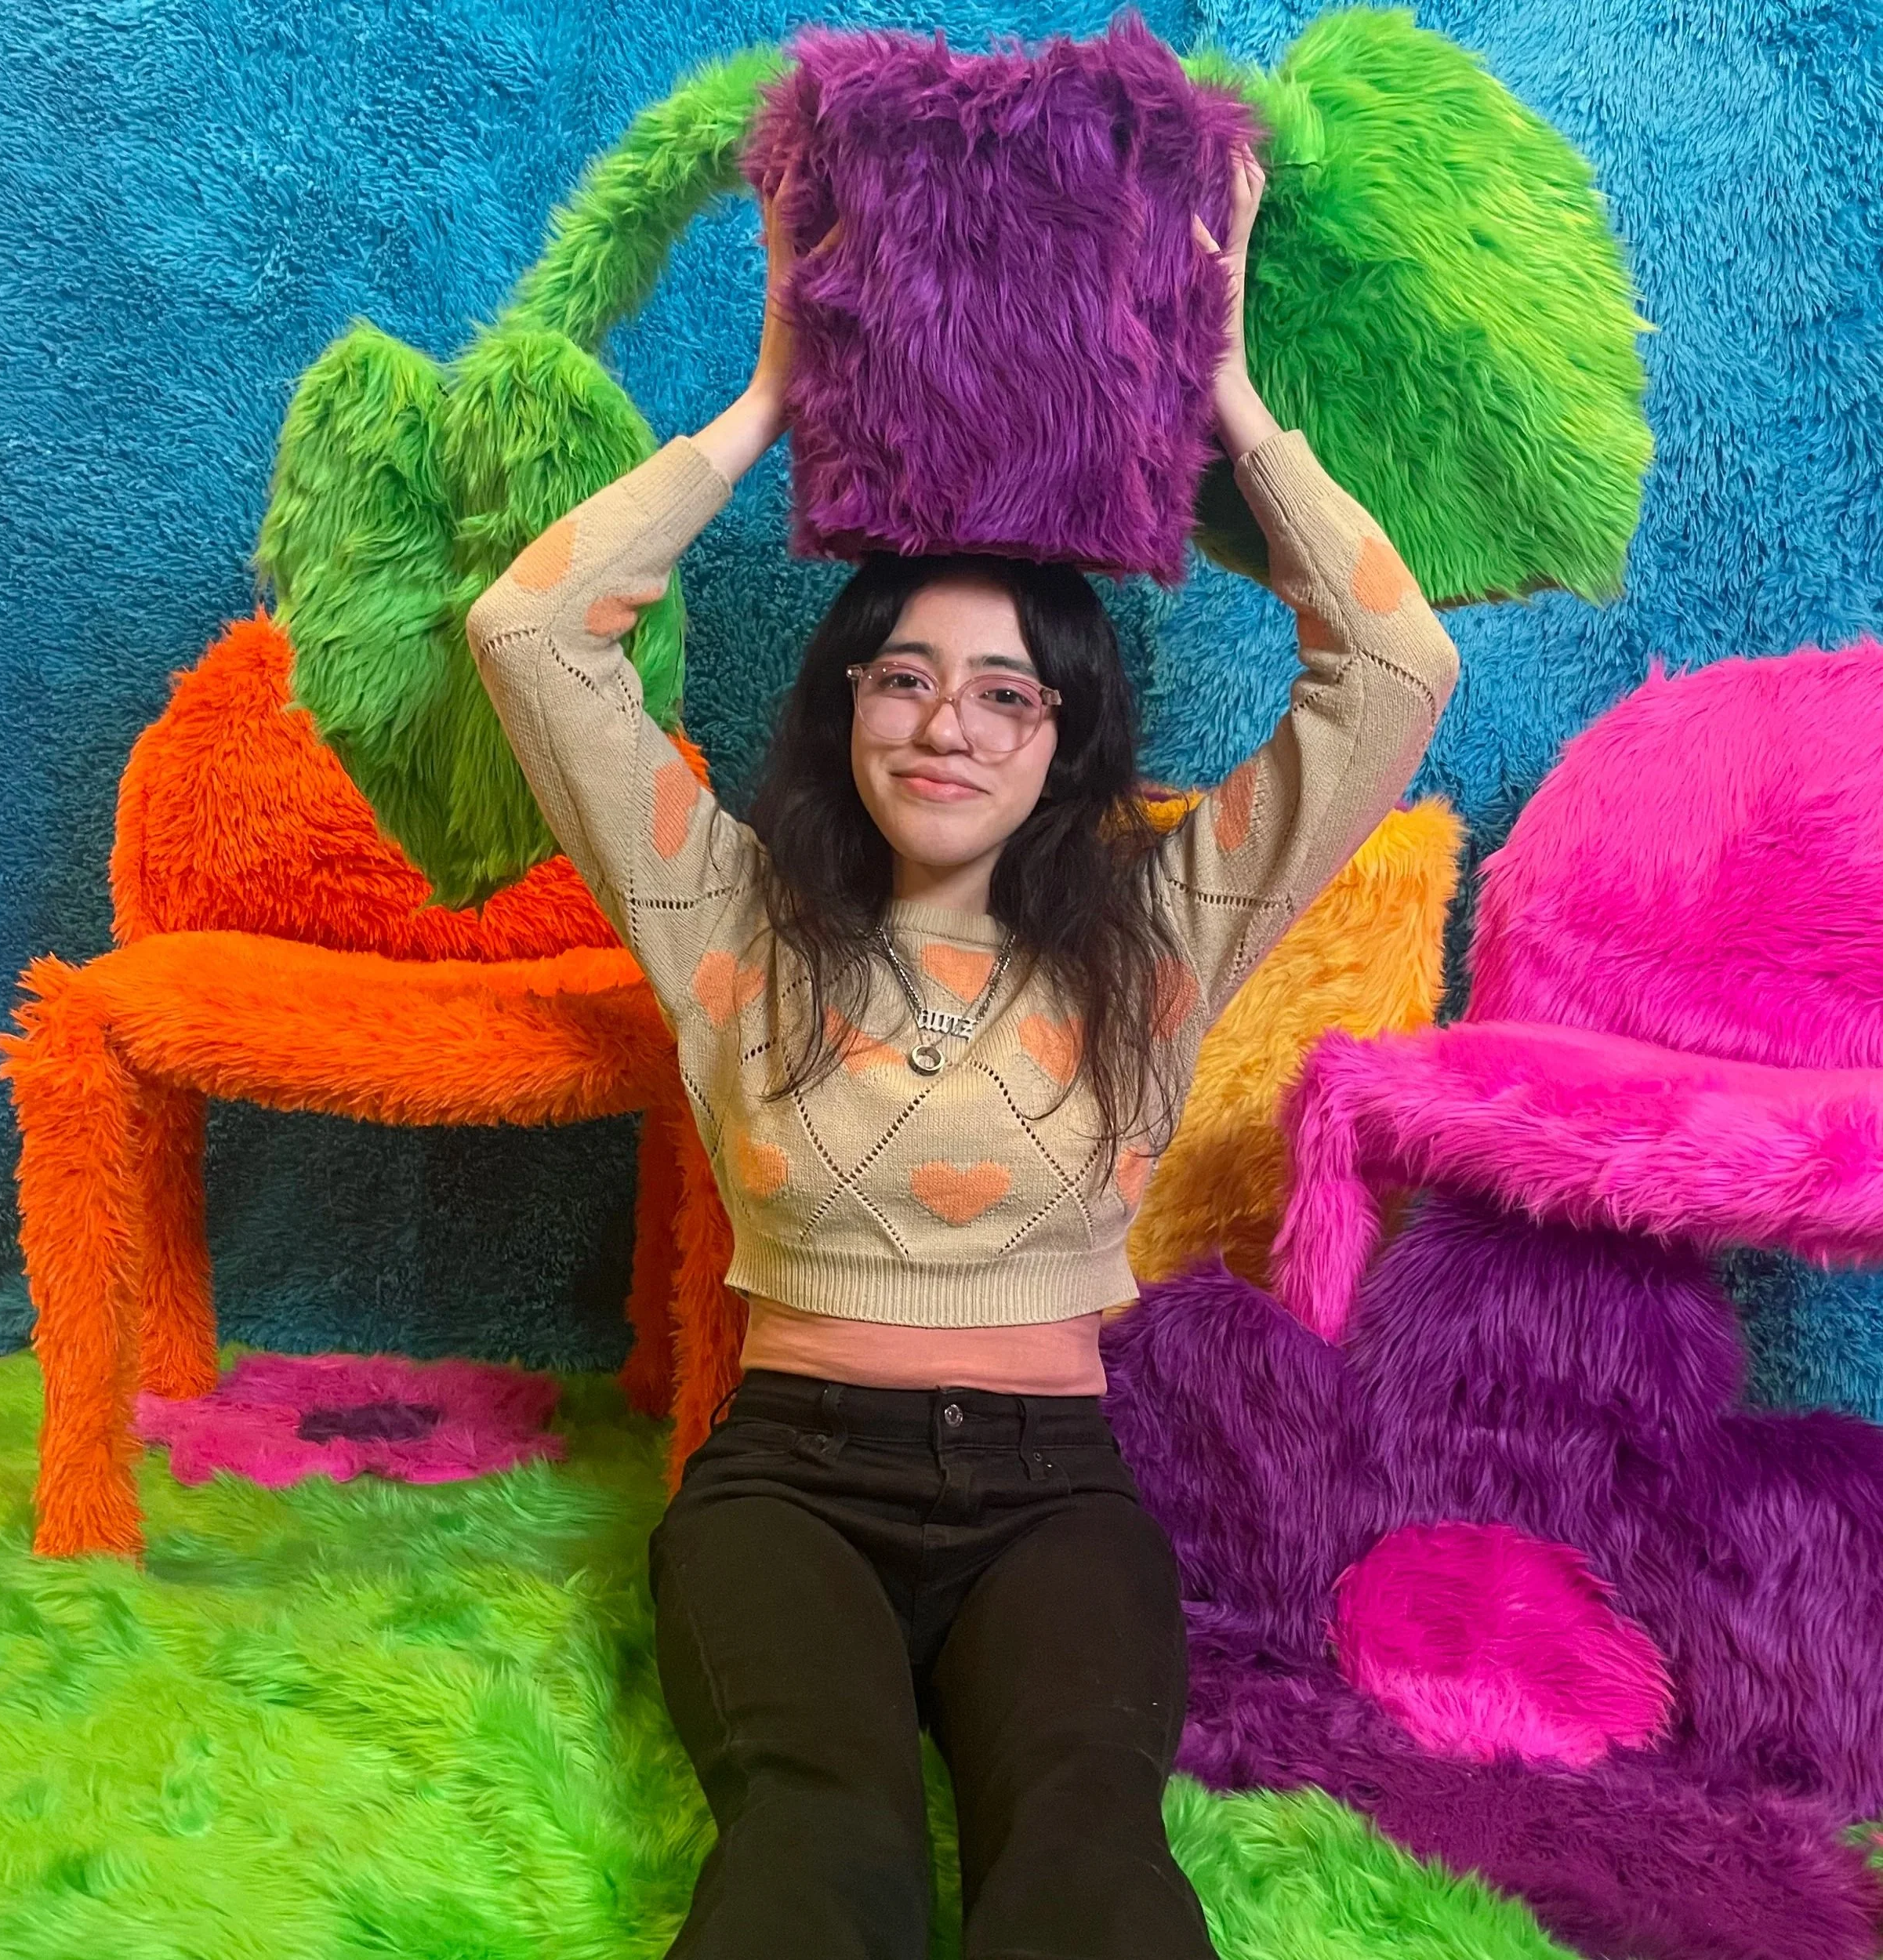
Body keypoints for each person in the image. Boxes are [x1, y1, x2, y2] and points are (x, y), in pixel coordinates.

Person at [466, 152, 1458, 1960]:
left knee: (1081, 1841)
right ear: (843, 699)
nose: (947, 722)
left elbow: (1388, 664)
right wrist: (763, 403)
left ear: (1065, 736)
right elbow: (528, 635)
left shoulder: (1158, 932)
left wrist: (1223, 395)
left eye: (1008, 689)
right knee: (815, 1836)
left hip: (1051, 1494)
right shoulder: (728, 919)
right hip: (787, 1481)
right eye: (902, 674)